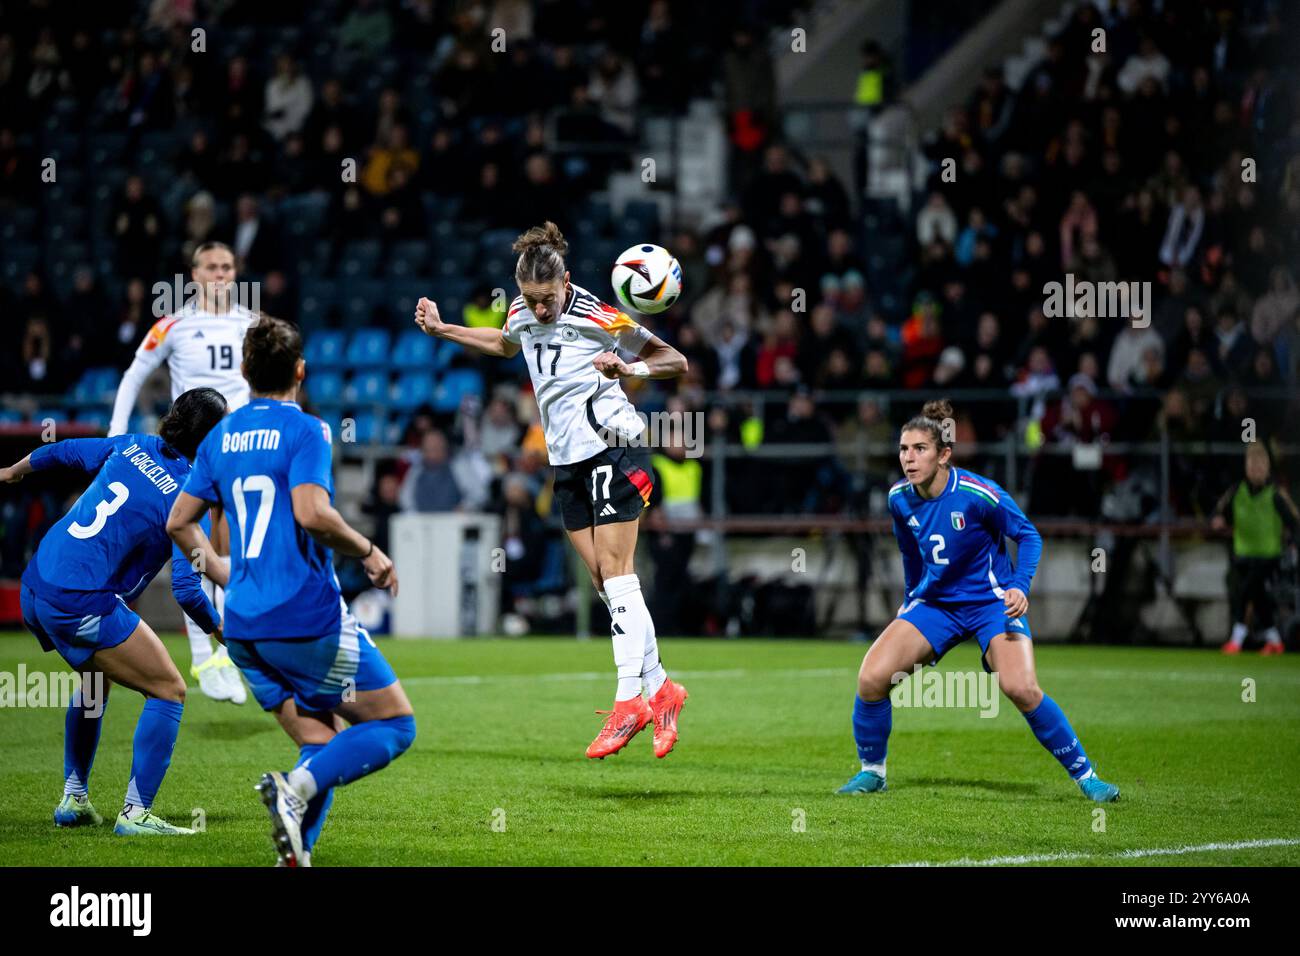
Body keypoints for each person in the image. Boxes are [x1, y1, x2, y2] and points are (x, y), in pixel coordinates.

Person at [413, 221, 691, 760]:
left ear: (565, 281)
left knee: (618, 572)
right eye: (529, 299)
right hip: (566, 463)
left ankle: (627, 701)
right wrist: (445, 330)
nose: (539, 310)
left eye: (546, 299)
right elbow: (503, 341)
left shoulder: (598, 315)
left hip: (614, 445)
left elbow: (674, 360)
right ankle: (662, 688)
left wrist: (627, 365)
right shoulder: (521, 312)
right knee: (604, 582)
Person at [167, 316, 413, 867]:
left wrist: (225, 573)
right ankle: (292, 791)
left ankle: (295, 856)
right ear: (300, 370)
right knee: (396, 724)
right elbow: (312, 513)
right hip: (305, 619)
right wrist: (369, 552)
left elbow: (179, 524)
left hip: (244, 629)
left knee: (321, 745)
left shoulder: (219, 438)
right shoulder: (307, 430)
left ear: (244, 371)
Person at [838, 400, 1120, 802]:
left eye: (920, 449)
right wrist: (909, 599)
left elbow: (1029, 535)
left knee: (1020, 687)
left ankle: (1087, 776)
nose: (909, 458)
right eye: (904, 449)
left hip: (990, 604)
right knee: (871, 678)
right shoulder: (899, 498)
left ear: (944, 455)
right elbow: (911, 552)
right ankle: (873, 773)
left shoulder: (977, 494)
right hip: (936, 606)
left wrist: (1020, 584)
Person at [3, 388, 228, 835]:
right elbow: (186, 589)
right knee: (170, 690)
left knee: (94, 682)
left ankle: (75, 797)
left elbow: (64, 451)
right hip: (80, 599)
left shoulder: (133, 444)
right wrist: (224, 634)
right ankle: (136, 813)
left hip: (37, 583)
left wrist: (13, 470)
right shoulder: (189, 494)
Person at [110, 241, 259, 704]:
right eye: (210, 266)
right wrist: (117, 432)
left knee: (226, 551)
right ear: (194, 274)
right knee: (192, 553)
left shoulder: (251, 324)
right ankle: (206, 654)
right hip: (191, 453)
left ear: (236, 274)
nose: (219, 274)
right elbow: (135, 374)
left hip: (239, 449)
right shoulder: (174, 324)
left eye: (227, 267)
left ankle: (219, 656)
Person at [1211, 445, 1299, 655]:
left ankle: (1236, 638)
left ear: (1267, 467)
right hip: (1243, 555)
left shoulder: (1276, 495)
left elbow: (1294, 523)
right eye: (1251, 464)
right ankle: (1274, 640)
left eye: (1260, 465)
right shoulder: (1236, 491)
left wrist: (1295, 544)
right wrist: (1218, 520)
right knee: (1258, 597)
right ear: (1246, 467)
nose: (1255, 469)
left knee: (1246, 590)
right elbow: (1220, 513)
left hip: (1269, 556)